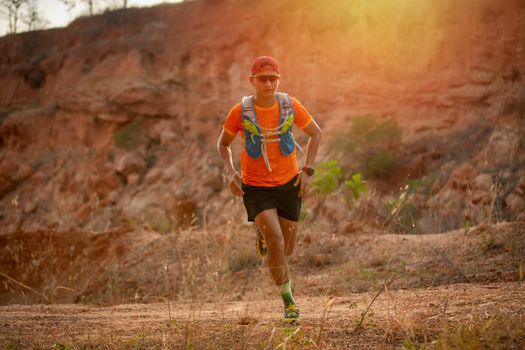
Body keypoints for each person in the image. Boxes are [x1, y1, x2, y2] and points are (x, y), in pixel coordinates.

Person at [217, 56, 322, 323]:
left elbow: (316, 134)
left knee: (286, 250)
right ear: (252, 81)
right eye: (262, 79)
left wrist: (308, 170)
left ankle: (265, 239)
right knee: (275, 239)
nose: (268, 83)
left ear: (279, 80)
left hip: (289, 184)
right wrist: (230, 174)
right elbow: (223, 144)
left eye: (273, 78)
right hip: (255, 186)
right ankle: (289, 303)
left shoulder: (290, 105)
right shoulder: (239, 112)